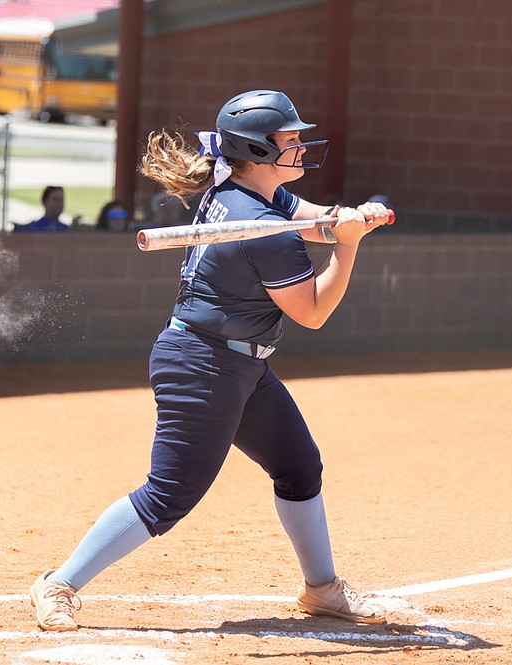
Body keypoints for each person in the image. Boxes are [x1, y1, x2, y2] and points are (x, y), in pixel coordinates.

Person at [29, 89, 392, 631]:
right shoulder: (264, 233)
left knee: (299, 467)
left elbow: (308, 217)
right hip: (203, 367)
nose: (299, 145)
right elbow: (313, 312)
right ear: (259, 150)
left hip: (240, 365)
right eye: (288, 139)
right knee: (168, 496)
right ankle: (58, 583)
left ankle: (322, 589)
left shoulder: (243, 192)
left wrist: (344, 220)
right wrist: (347, 246)